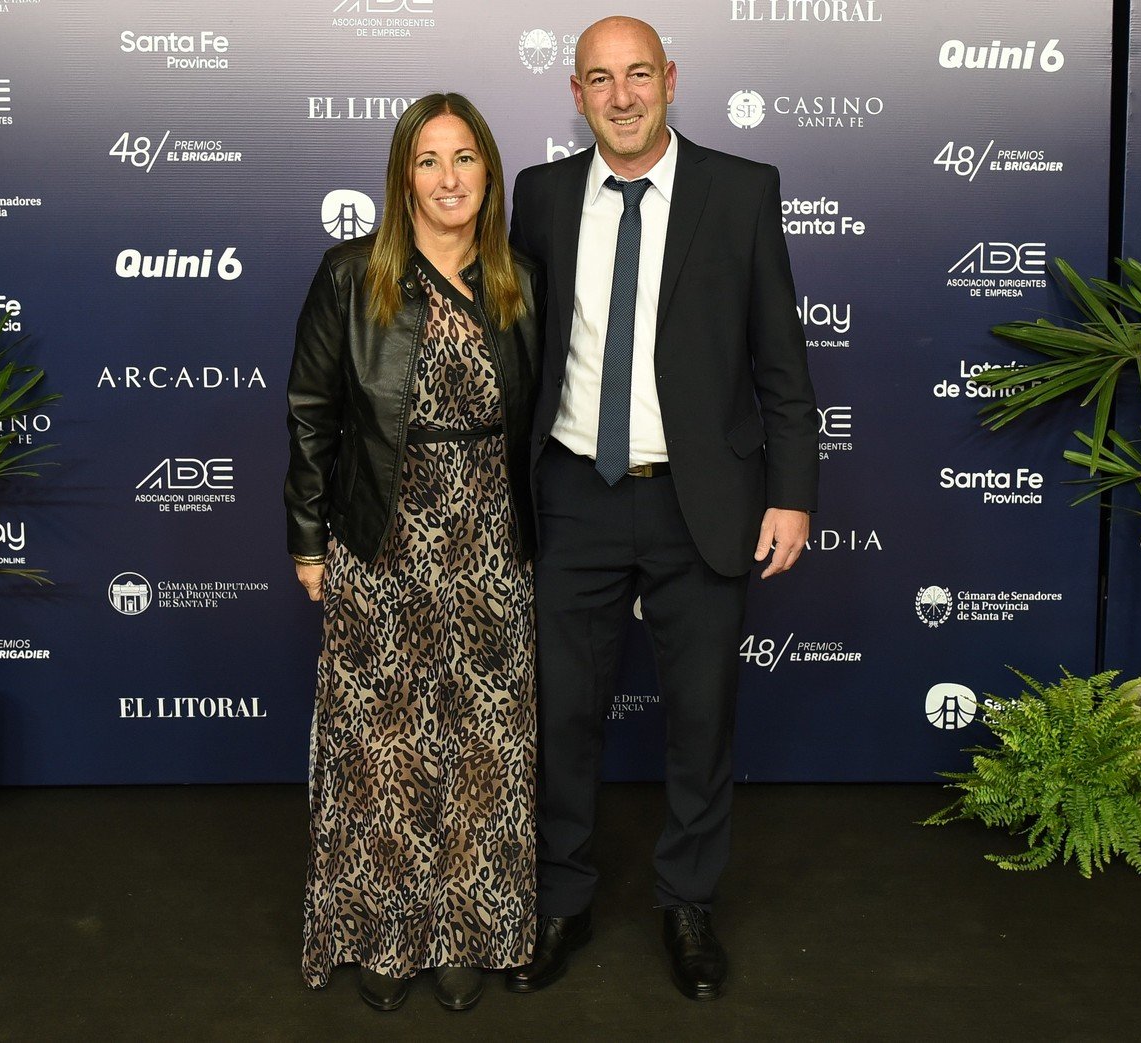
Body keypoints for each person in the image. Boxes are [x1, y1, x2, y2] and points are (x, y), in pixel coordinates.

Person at [506, 16, 818, 1001]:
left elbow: (781, 363)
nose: (622, 95)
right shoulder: (540, 196)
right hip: (572, 496)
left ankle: (686, 902)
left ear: (670, 80)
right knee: (561, 716)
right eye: (600, 79)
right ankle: (561, 898)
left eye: (638, 74)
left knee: (699, 719)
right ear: (575, 93)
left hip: (703, 504)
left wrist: (792, 495)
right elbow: (515, 351)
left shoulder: (739, 190)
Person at [285, 92, 542, 1013]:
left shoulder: (520, 278)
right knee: (382, 745)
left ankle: (470, 930)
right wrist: (309, 541)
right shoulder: (353, 274)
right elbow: (313, 414)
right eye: (428, 161)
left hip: (488, 539)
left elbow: (545, 418)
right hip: (379, 530)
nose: (448, 179)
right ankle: (388, 935)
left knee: (484, 742)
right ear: (403, 176)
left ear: (488, 173)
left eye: (464, 158)